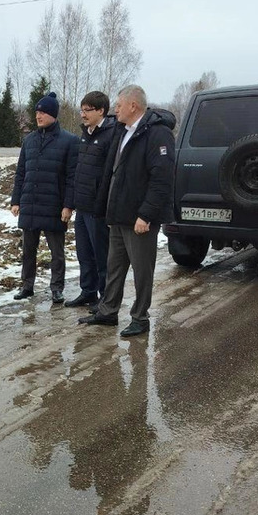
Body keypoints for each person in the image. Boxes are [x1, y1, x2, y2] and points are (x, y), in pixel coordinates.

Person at [78, 84, 175, 337]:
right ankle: (108, 311)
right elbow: (114, 172)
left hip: (139, 218)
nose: (116, 109)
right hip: (119, 215)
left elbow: (161, 178)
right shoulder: (123, 131)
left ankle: (140, 317)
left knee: (142, 270)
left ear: (133, 106)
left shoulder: (157, 134)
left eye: (119, 105)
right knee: (114, 267)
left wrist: (146, 215)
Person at [10, 91, 79, 304]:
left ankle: (57, 288)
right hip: (30, 204)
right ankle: (27, 285)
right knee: (28, 251)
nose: (38, 116)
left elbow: (71, 177)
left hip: (54, 205)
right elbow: (21, 172)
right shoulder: (29, 140)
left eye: (42, 112)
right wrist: (16, 200)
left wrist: (68, 205)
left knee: (56, 252)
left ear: (53, 114)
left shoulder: (69, 141)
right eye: (37, 112)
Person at [64, 91, 115, 309]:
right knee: (84, 254)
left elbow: (108, 174)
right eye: (82, 110)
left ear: (101, 110)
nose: (83, 114)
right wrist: (71, 202)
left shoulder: (111, 135)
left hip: (98, 208)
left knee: (101, 255)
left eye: (87, 110)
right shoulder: (85, 134)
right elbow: (78, 171)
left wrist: (101, 203)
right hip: (82, 206)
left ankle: (106, 297)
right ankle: (88, 292)